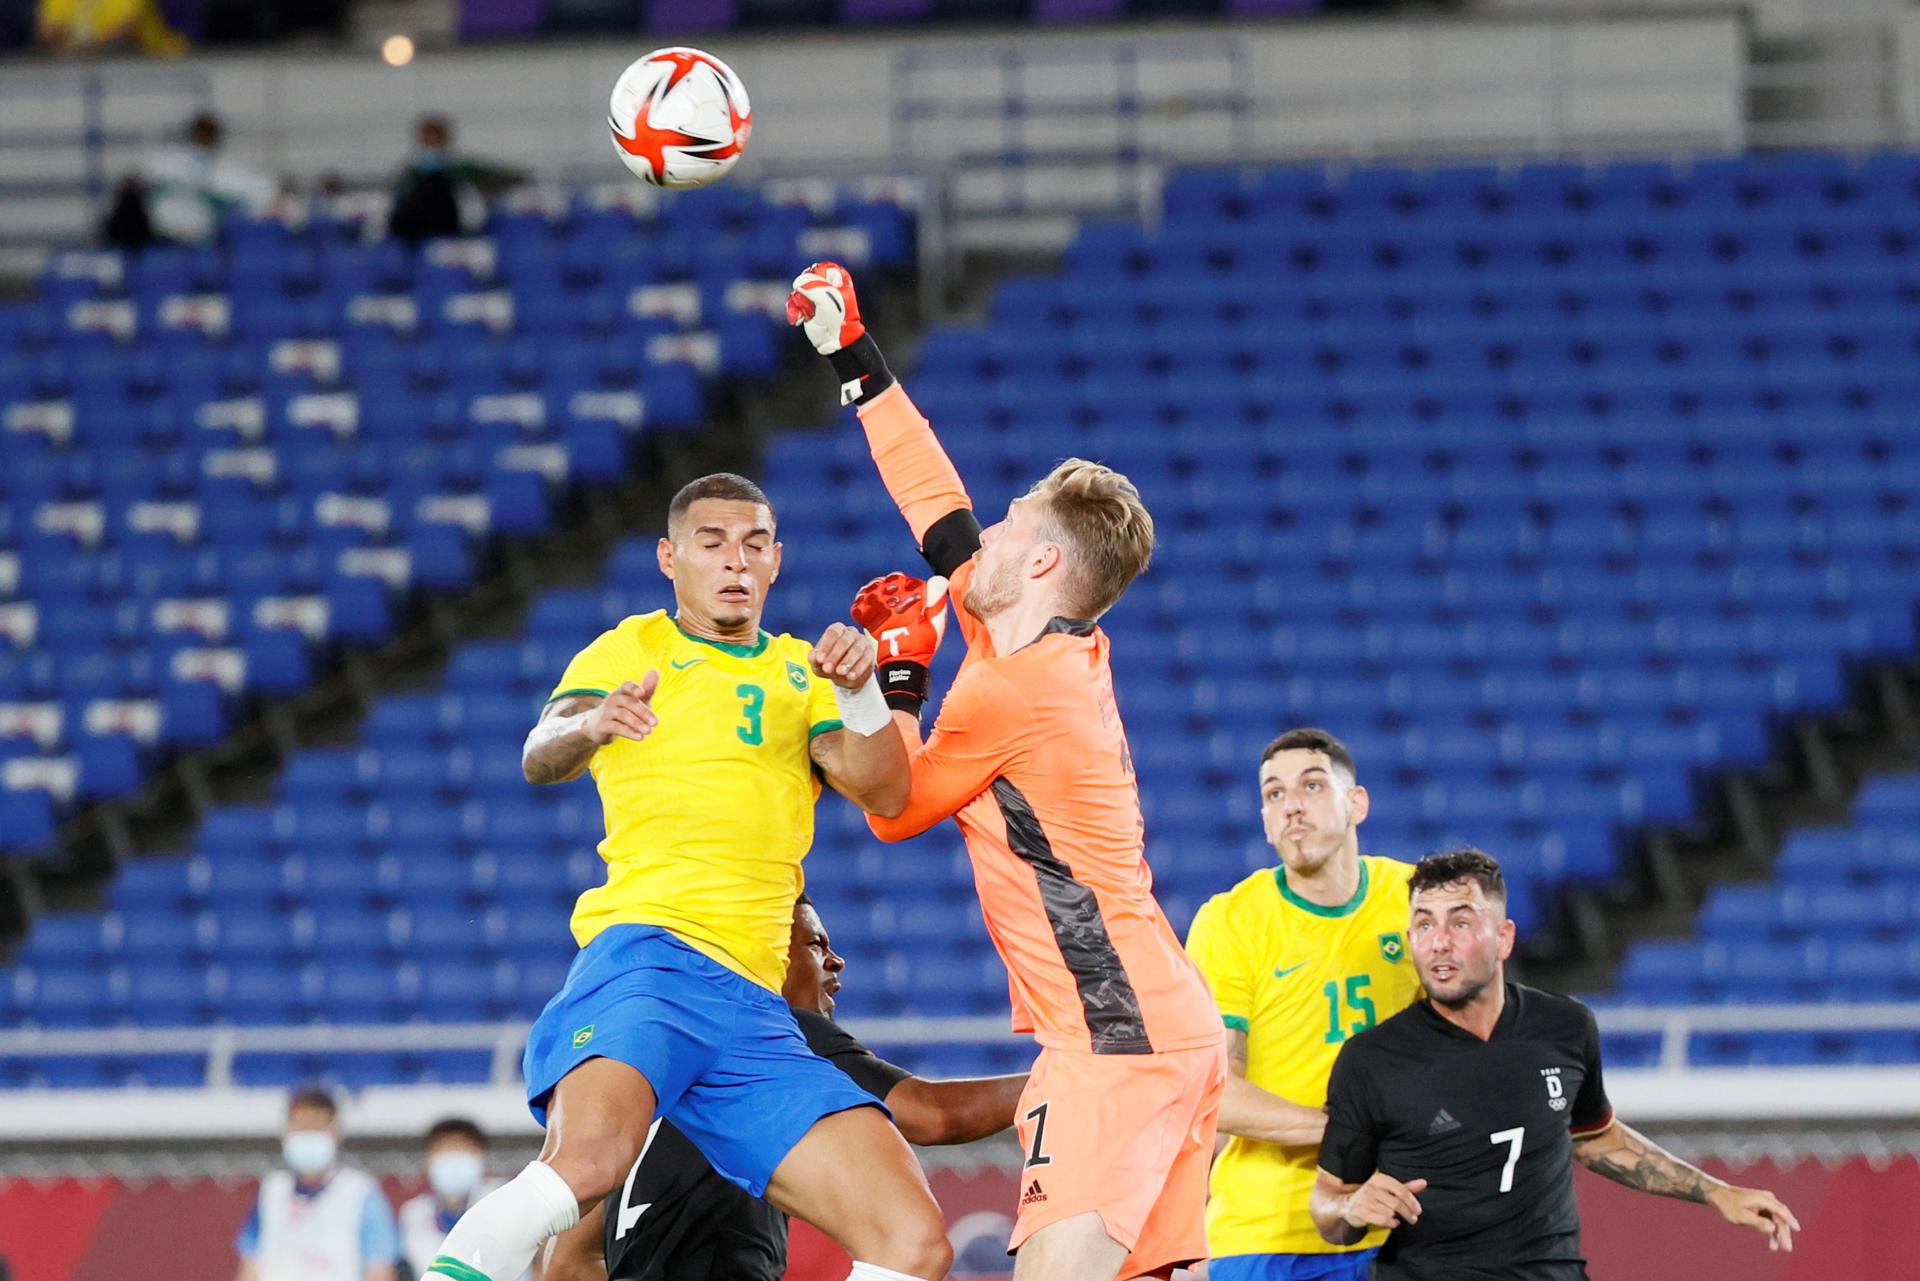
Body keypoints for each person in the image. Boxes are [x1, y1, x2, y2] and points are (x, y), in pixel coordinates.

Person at [788, 263, 1227, 1281]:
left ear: (1038, 567)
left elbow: (893, 807)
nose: (982, 533)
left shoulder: (1012, 694)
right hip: (1156, 1031)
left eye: (1011, 521)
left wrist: (889, 680)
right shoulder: (1030, 649)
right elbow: (940, 511)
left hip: (1113, 1047)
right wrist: (854, 356)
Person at [425, 473, 954, 1281]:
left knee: (912, 1240)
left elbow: (888, 792)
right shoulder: (631, 648)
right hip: (652, 959)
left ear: (777, 560)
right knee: (586, 1166)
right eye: (712, 544)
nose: (734, 561)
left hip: (753, 1006)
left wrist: (862, 692)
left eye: (753, 544)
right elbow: (539, 753)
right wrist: (591, 721)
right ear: (671, 559)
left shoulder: (801, 673)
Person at [1310, 849, 1801, 1279]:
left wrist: (1717, 1194)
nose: (1438, 941)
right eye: (1423, 923)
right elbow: (1327, 1203)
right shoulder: (1371, 1060)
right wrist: (1351, 1207)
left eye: (1460, 922)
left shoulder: (1565, 1027)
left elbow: (1593, 1135)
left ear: (1504, 938)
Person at [539, 894, 1031, 1281]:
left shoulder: (640, 1061)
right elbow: (933, 1115)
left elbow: (565, 1264)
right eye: (816, 945)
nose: (836, 962)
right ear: (767, 955)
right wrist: (1067, 1082)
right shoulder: (773, 1037)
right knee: (912, 1249)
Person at [1183, 728, 1425, 1281]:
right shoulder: (1231, 922)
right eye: (1273, 794)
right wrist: (1347, 1131)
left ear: (1356, 803)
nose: (1291, 805)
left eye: (1312, 786)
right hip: (1264, 1231)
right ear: (1265, 821)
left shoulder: (1413, 900)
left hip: (1399, 1223)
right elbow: (1212, 1092)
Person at [236, 1087, 400, 1281]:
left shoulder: (361, 1192)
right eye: (301, 1127)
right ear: (286, 1132)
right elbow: (250, 1264)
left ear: (336, 1133)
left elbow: (380, 1269)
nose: (308, 1134)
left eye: (316, 1127)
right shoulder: (271, 1190)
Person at [104, 112, 275, 248]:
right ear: (192, 136)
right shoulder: (166, 162)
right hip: (157, 237)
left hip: (200, 241)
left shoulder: (227, 173)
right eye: (200, 135)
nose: (202, 140)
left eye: (207, 136)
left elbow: (263, 194)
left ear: (215, 140)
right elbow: (131, 182)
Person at [399, 1120, 527, 1281]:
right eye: (445, 1150)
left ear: (480, 1156)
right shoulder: (414, 1214)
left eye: (462, 1149)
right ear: (428, 1159)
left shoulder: (505, 1201)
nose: (454, 1157)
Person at [388, 115, 523, 244]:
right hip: (416, 226)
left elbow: (503, 176)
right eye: (427, 140)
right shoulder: (409, 172)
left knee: (436, 183)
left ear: (445, 140)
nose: (431, 144)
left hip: (450, 223)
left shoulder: (462, 168)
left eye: (436, 139)